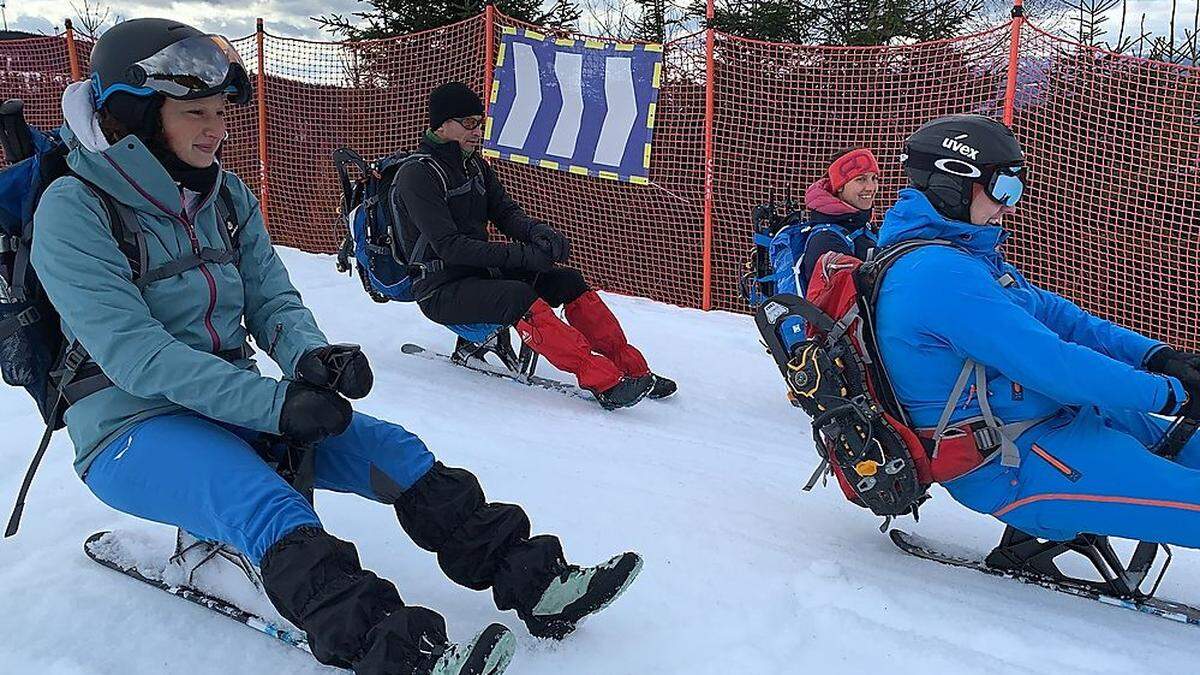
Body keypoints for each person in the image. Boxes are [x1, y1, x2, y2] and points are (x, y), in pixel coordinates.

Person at [31, 19, 642, 675]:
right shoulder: (75, 208)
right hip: (129, 426)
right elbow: (137, 355)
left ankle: (537, 584)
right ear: (140, 117)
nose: (217, 129)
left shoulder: (224, 194)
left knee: (395, 452)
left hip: (228, 405)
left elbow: (272, 299)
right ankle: (402, 651)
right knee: (269, 505)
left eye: (220, 112)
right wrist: (274, 405)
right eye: (195, 113)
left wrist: (310, 359)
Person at [874, 113, 1200, 548]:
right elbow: (1053, 363)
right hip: (1013, 463)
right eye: (1002, 189)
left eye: (1017, 189)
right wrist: (1170, 394)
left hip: (1054, 419)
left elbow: (1061, 318)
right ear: (951, 183)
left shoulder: (965, 257)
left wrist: (1155, 356)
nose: (1011, 205)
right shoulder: (936, 275)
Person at [390, 82, 676, 410]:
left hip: (479, 275)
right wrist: (523, 257)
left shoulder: (474, 166)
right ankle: (602, 380)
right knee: (519, 297)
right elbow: (450, 247)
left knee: (568, 281)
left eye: (479, 122)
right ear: (442, 125)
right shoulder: (418, 175)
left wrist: (540, 234)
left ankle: (630, 368)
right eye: (468, 123)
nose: (477, 130)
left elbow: (506, 213)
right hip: (441, 288)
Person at [795, 146, 880, 291]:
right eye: (861, 179)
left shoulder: (861, 226)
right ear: (839, 186)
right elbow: (840, 302)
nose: (871, 187)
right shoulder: (826, 240)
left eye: (874, 178)